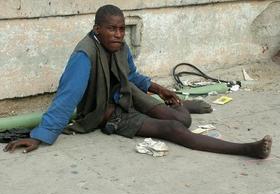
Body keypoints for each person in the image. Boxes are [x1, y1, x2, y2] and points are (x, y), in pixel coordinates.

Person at [4, 4, 272, 159]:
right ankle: (246, 149)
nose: (119, 34)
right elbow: (67, 98)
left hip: (126, 92)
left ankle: (184, 107)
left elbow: (132, 75)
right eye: (112, 29)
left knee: (182, 119)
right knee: (173, 129)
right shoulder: (84, 56)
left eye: (121, 28)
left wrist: (161, 89)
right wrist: (40, 136)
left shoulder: (119, 46)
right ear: (97, 29)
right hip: (107, 111)